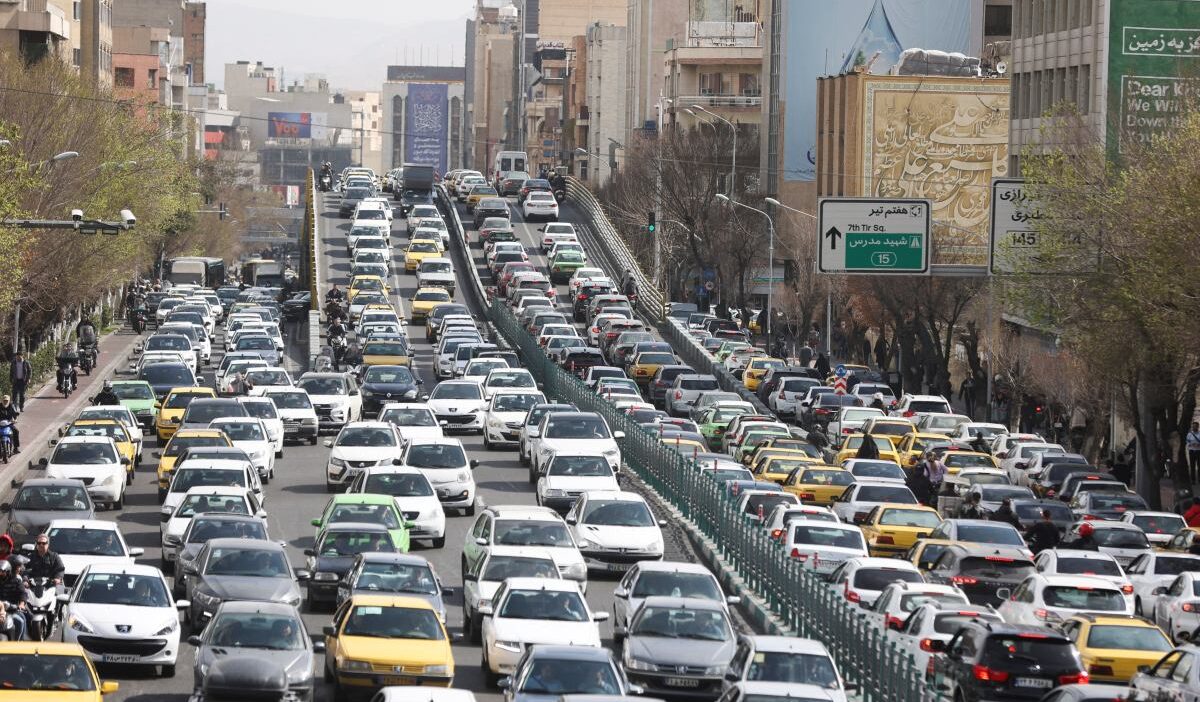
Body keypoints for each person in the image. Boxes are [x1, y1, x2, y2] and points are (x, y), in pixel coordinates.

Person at [0, 561, 30, 641]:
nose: (0, 574)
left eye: (2, 572)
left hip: (12, 609)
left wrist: (21, 604)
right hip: (0, 609)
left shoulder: (16, 581)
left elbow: (23, 593)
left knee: (20, 621)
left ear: (8, 572)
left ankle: (19, 642)